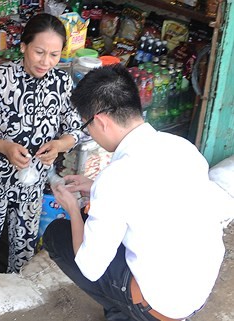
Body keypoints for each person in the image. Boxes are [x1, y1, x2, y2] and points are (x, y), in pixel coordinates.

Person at [43, 64, 231, 320]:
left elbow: (89, 267)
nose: (90, 133)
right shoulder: (182, 147)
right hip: (197, 288)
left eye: (87, 126)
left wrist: (73, 210)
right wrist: (94, 186)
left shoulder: (116, 178)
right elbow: (153, 194)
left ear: (100, 121)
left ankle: (127, 312)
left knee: (59, 235)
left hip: (164, 305)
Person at [0, 13, 85, 278]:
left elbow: (76, 129)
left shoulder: (61, 83)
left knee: (24, 248)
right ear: (24, 46)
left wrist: (59, 145)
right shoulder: (0, 78)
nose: (46, 61)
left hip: (31, 184)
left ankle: (18, 304)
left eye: (54, 54)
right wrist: (4, 147)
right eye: (39, 52)